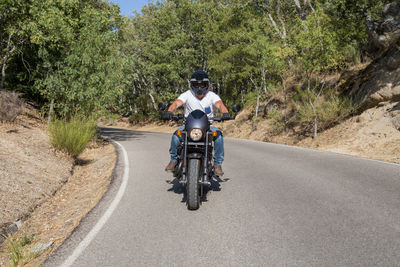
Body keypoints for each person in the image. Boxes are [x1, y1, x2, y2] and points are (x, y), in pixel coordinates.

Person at [163, 70, 230, 176]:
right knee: (176, 136)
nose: (199, 88)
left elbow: (220, 105)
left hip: (208, 127)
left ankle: (217, 164)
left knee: (219, 136)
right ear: (192, 85)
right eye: (196, 84)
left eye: (202, 84)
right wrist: (170, 111)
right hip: (188, 126)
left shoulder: (212, 95)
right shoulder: (187, 94)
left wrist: (225, 113)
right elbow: (176, 103)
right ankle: (173, 160)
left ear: (206, 85)